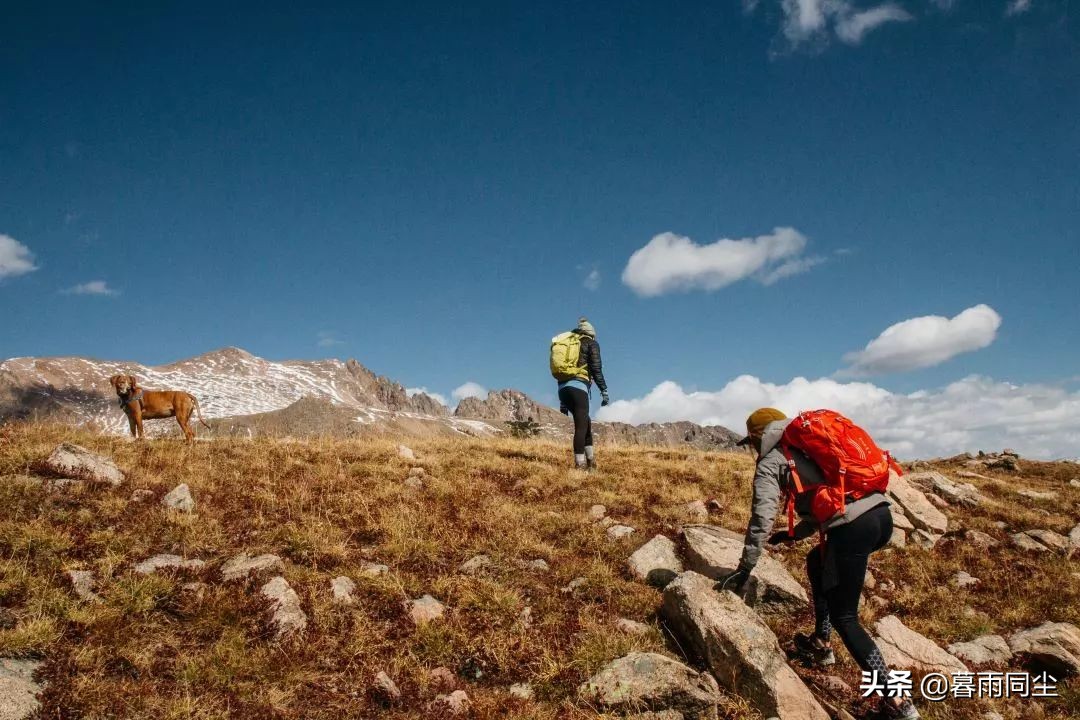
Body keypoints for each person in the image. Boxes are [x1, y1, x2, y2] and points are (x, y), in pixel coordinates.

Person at [718, 408, 919, 720]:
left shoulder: (771, 461)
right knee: (817, 561)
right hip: (881, 516)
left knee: (847, 618)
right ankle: (822, 643)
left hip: (853, 528)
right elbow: (828, 498)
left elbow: (761, 515)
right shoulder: (807, 445)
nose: (752, 449)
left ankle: (899, 703)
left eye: (751, 443)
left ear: (758, 437)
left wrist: (746, 566)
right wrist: (794, 534)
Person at [554, 317, 609, 470]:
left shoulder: (569, 345)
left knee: (586, 423)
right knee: (581, 427)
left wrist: (563, 403)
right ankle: (580, 465)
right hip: (578, 388)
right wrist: (604, 390)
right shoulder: (591, 343)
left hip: (563, 390)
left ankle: (591, 462)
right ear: (591, 334)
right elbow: (596, 368)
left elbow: (564, 373)